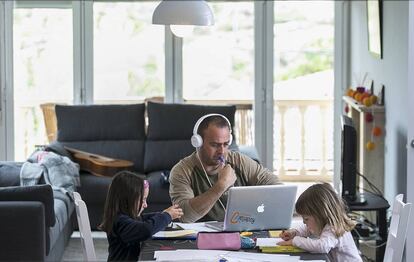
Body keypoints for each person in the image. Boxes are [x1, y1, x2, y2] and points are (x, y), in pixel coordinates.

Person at [169, 113, 280, 223]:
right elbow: (185, 216)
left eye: (226, 144)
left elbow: (276, 186)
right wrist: (221, 185)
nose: (222, 151)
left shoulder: (238, 161)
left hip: (242, 229)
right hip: (202, 236)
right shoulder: (181, 171)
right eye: (215, 145)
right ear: (198, 142)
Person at [100, 171, 183, 261]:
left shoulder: (126, 217)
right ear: (128, 200)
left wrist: (163, 214)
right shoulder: (120, 222)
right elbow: (146, 229)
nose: (145, 205)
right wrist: (167, 216)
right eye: (143, 200)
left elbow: (143, 219)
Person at [278, 183, 362, 262]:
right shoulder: (323, 223)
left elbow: (322, 246)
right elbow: (307, 229)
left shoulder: (333, 228)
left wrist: (295, 241)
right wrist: (294, 232)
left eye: (306, 219)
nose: (304, 222)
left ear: (321, 215)